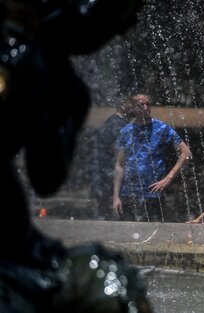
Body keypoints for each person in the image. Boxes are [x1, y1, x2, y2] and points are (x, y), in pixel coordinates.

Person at [0, 0, 151, 312]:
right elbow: (46, 176)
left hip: (15, 240)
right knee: (109, 282)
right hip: (11, 248)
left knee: (109, 280)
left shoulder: (58, 80)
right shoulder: (22, 56)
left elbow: (45, 176)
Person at [113, 93, 192, 222]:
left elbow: (186, 153)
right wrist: (116, 196)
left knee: (153, 235)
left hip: (153, 194)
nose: (145, 107)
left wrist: (168, 179)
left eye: (148, 104)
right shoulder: (125, 132)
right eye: (141, 104)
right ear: (133, 107)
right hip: (128, 194)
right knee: (127, 237)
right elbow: (119, 165)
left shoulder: (162, 128)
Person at [91, 97, 134, 220]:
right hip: (109, 173)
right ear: (123, 104)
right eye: (131, 104)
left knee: (107, 209)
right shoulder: (117, 124)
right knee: (113, 209)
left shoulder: (114, 122)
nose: (133, 107)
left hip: (105, 173)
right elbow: (118, 152)